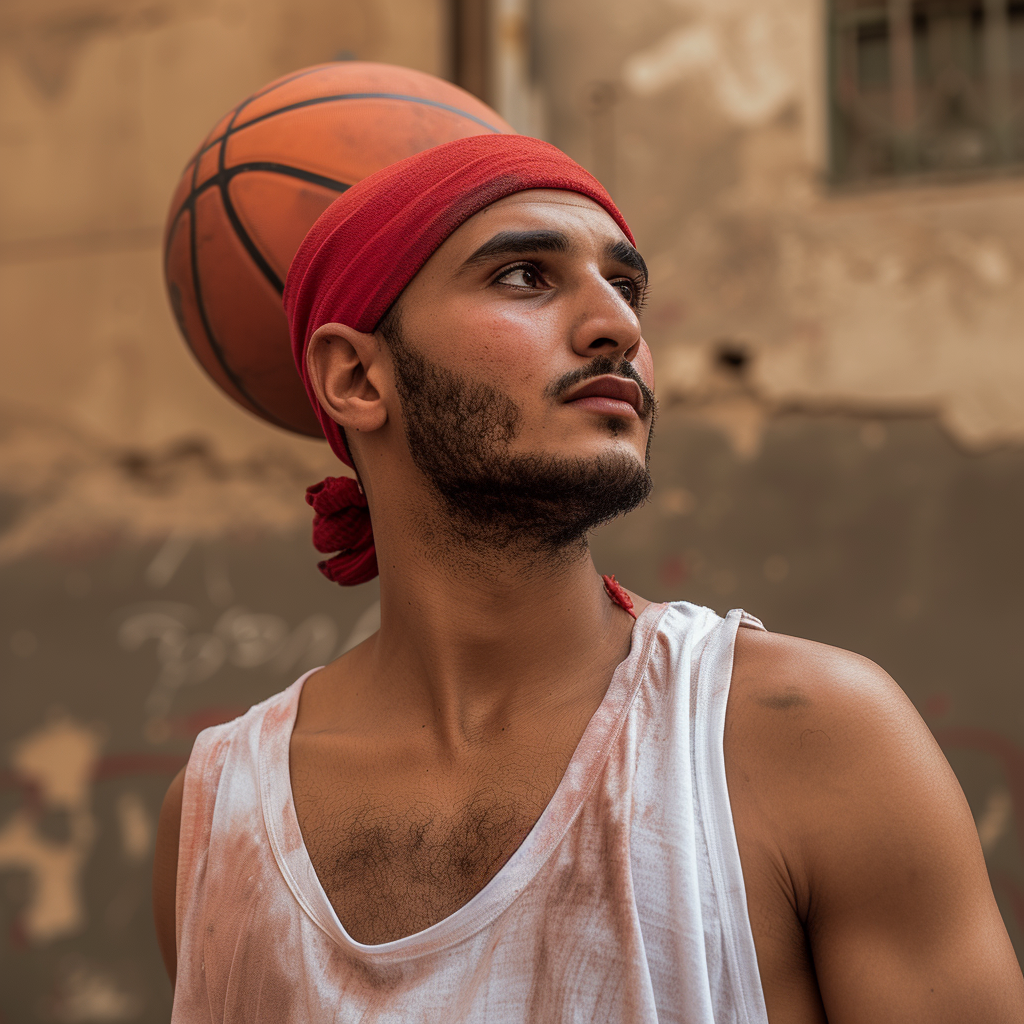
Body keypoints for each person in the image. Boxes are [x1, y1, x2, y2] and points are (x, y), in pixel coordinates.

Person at [152, 134, 1024, 1023]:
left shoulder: (806, 738)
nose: (619, 325)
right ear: (357, 377)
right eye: (525, 276)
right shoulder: (218, 812)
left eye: (627, 285)